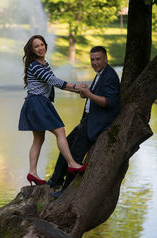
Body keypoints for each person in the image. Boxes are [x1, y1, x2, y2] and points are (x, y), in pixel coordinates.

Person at [47, 46, 121, 198]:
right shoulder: (100, 74)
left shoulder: (110, 76)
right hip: (87, 119)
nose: (94, 63)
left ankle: (65, 191)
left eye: (98, 59)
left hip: (96, 122)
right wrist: (86, 93)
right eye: (92, 59)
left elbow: (110, 103)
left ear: (106, 59)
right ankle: (55, 181)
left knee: (75, 155)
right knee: (65, 146)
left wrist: (90, 95)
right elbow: (94, 95)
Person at [19, 35, 88, 186]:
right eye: (36, 46)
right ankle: (71, 163)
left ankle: (32, 172)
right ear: (31, 50)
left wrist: (80, 92)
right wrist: (77, 87)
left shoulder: (43, 63)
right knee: (60, 131)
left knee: (39, 139)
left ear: (45, 46)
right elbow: (54, 81)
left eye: (42, 44)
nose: (40, 48)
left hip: (36, 102)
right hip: (38, 103)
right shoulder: (35, 66)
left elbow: (53, 80)